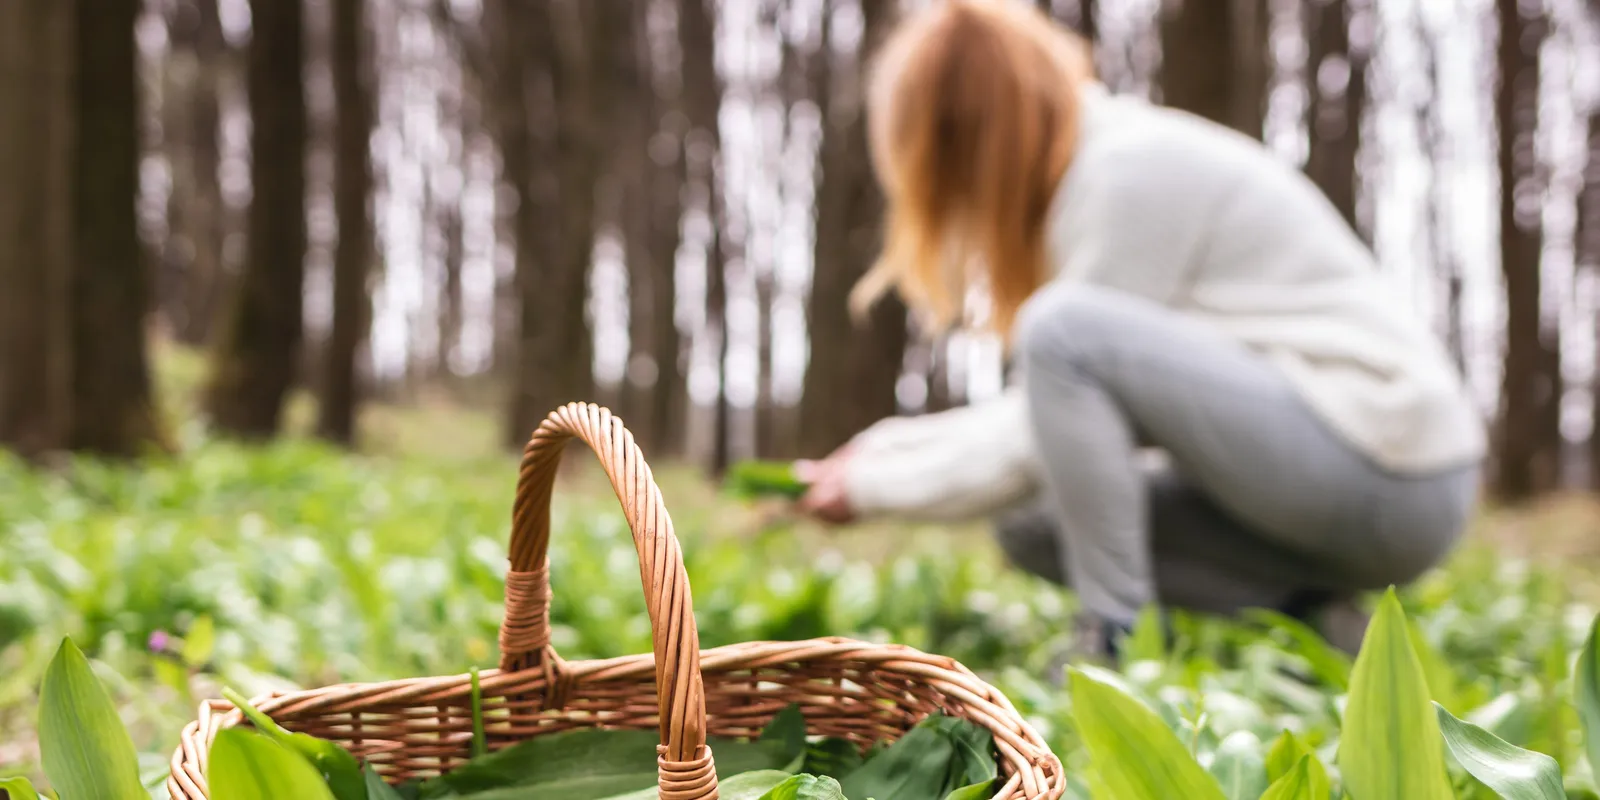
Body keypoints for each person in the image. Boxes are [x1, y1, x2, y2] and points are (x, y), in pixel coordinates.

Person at [790, 0, 1485, 659]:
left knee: (1059, 333)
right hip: (1326, 479)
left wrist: (870, 487)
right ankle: (1319, 621)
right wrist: (876, 453)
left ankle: (1113, 638)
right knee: (1032, 525)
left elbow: (1033, 419)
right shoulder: (1090, 180)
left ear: (968, 134)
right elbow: (1038, 424)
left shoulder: (1125, 170)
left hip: (1393, 469)